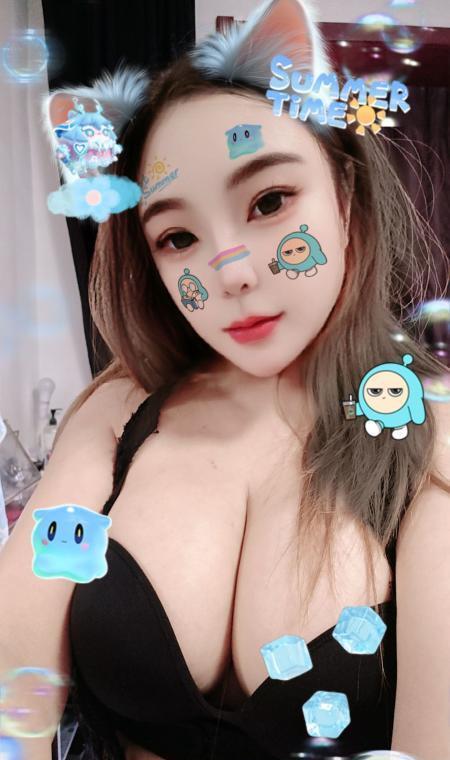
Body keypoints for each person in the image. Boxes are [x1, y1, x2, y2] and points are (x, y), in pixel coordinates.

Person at [1, 0, 449, 759]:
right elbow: (16, 673)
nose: (230, 272)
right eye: (178, 236)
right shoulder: (119, 411)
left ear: (344, 197)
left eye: (269, 201)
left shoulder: (425, 435)